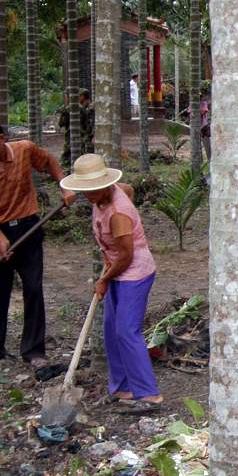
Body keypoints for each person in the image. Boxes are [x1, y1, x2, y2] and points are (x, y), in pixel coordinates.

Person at [0, 119, 76, 371]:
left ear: (2, 139)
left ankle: (34, 351)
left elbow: (48, 162)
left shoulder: (24, 150)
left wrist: (64, 185)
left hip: (28, 227)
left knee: (33, 288)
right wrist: (0, 238)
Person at [60, 154, 162, 412]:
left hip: (134, 273)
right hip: (117, 269)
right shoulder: (113, 192)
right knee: (111, 330)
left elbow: (126, 255)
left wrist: (104, 279)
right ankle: (123, 388)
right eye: (85, 191)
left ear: (105, 185)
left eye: (93, 190)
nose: (88, 196)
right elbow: (129, 188)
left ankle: (148, 394)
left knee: (127, 331)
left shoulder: (118, 213)